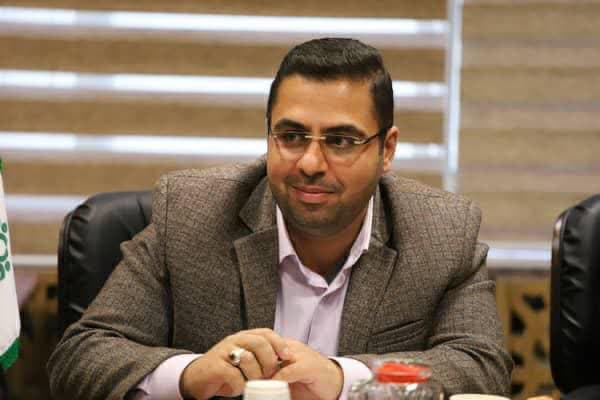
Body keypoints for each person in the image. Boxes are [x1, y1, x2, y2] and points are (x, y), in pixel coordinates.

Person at [48, 38, 512, 400]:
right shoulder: (190, 213)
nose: (310, 163)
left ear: (386, 150)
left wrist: (343, 378)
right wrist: (190, 374)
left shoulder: (441, 232)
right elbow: (82, 356)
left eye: (341, 141)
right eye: (291, 136)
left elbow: (481, 366)